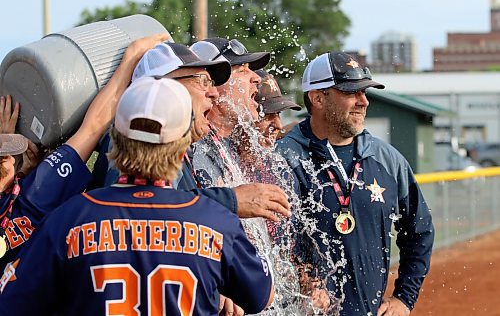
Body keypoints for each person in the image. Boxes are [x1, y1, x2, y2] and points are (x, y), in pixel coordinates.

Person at [0, 77, 275, 315]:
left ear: (115, 144)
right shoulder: (216, 222)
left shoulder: (68, 220)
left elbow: (12, 305)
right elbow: (262, 296)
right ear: (182, 150)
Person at [276, 52, 434, 316]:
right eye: (351, 92)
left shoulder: (387, 159)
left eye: (365, 92)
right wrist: (299, 278)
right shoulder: (285, 159)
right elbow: (267, 240)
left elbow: (419, 231)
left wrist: (404, 297)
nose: (364, 101)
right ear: (318, 98)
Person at [0, 33, 168, 271]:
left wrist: (22, 170)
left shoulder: (21, 194)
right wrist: (131, 58)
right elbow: (92, 128)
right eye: (7, 155)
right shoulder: (34, 195)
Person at [91, 42, 291, 223]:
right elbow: (141, 210)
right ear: (163, 86)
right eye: (203, 81)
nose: (213, 92)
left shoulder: (185, 145)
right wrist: (231, 201)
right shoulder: (132, 138)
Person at [188, 37, 270, 187]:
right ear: (213, 82)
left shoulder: (238, 149)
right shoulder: (191, 147)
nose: (257, 78)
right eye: (242, 70)